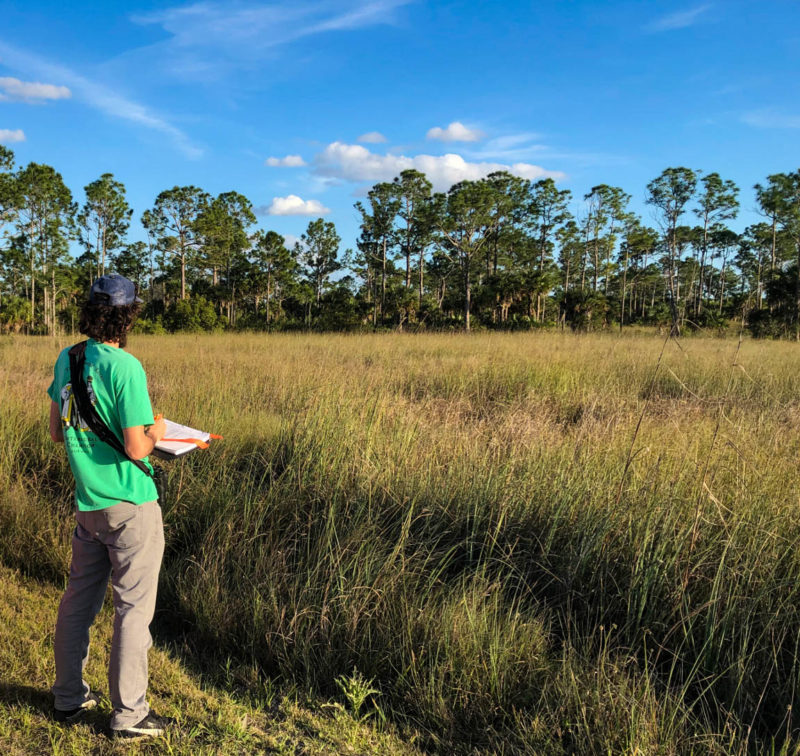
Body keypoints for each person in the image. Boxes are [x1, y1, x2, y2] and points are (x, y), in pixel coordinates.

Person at [47, 273, 169, 739]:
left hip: (88, 503)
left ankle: (68, 698)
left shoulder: (69, 358)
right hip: (130, 504)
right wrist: (158, 429)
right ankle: (130, 715)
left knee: (78, 600)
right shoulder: (126, 366)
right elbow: (138, 449)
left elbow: (59, 432)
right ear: (128, 314)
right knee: (133, 609)